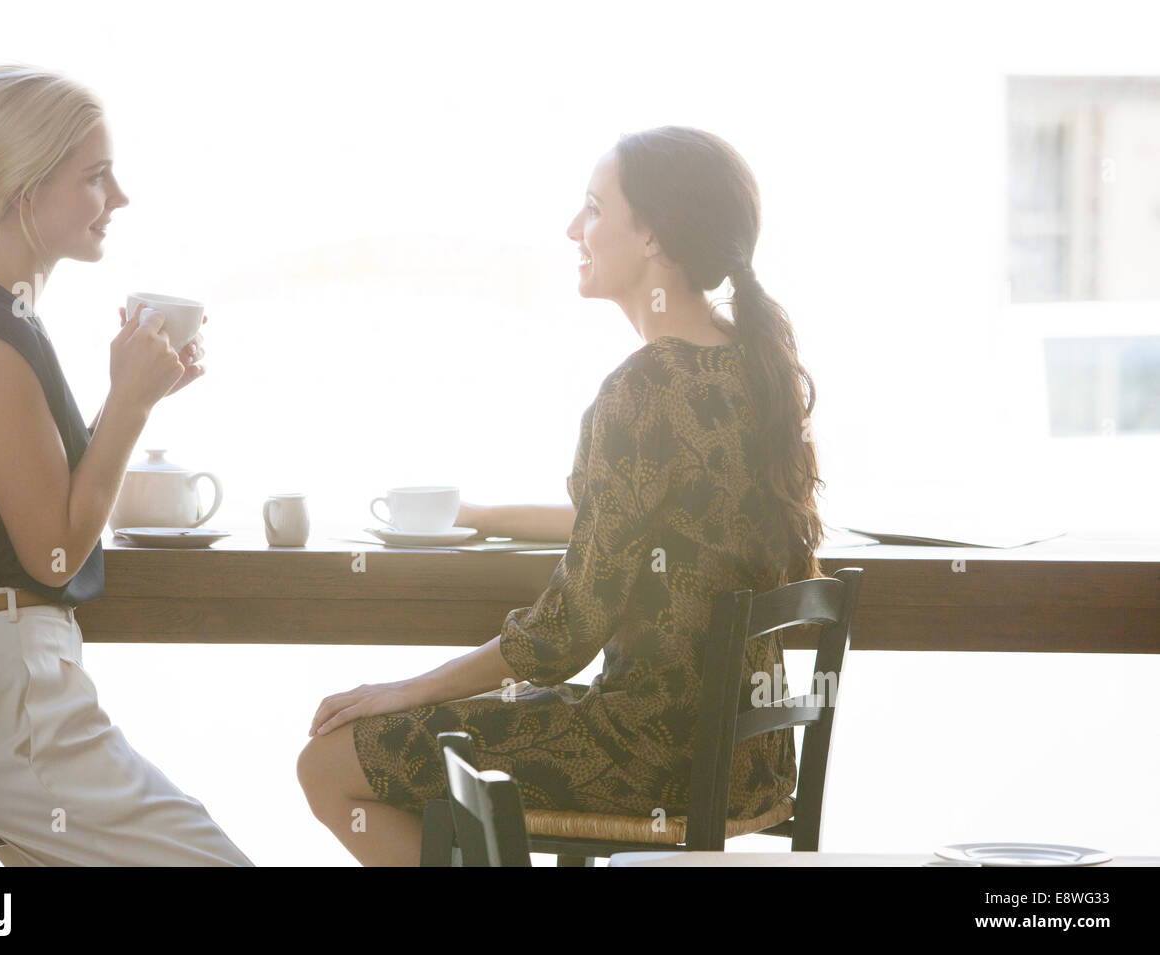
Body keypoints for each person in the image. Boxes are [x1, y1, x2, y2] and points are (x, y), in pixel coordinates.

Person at [298, 126, 826, 866]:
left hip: (651, 756)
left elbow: (563, 636)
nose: (572, 229)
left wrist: (406, 690)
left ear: (653, 237)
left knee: (326, 763)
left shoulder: (641, 390)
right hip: (751, 758)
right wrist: (481, 516)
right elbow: (654, 522)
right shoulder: (753, 369)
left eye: (593, 209)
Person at [0, 64, 252, 866]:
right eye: (95, 177)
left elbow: (23, 505)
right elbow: (55, 548)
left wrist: (136, 396)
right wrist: (129, 407)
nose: (117, 199)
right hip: (9, 706)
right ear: (24, 192)